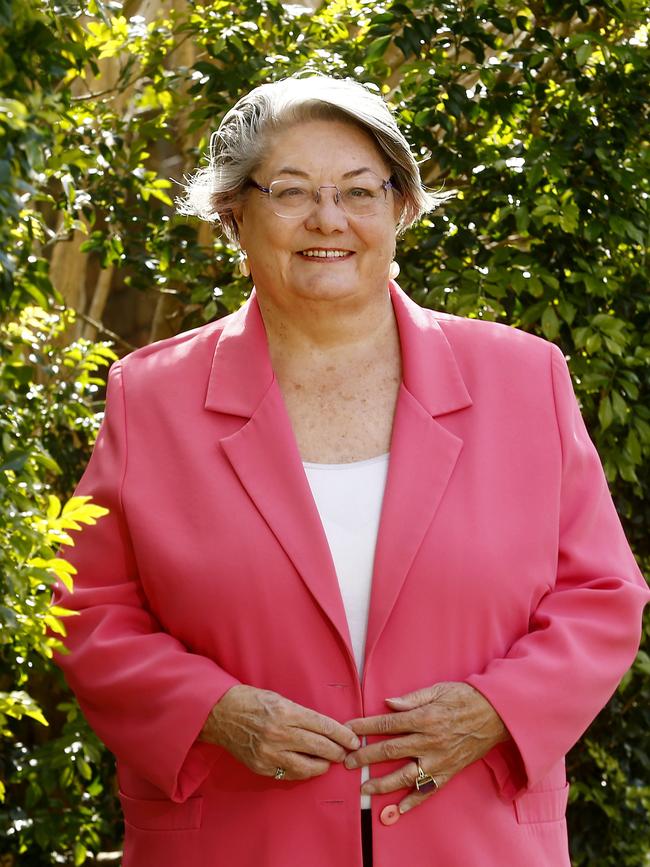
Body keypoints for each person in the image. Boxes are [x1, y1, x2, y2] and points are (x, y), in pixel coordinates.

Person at [53, 73, 648, 867]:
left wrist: (498, 709)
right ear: (234, 213)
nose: (328, 219)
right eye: (291, 191)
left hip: (475, 837)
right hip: (237, 837)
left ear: (400, 207)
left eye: (359, 191)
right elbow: (87, 607)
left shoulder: (522, 376)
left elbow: (602, 595)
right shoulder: (151, 396)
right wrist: (213, 710)